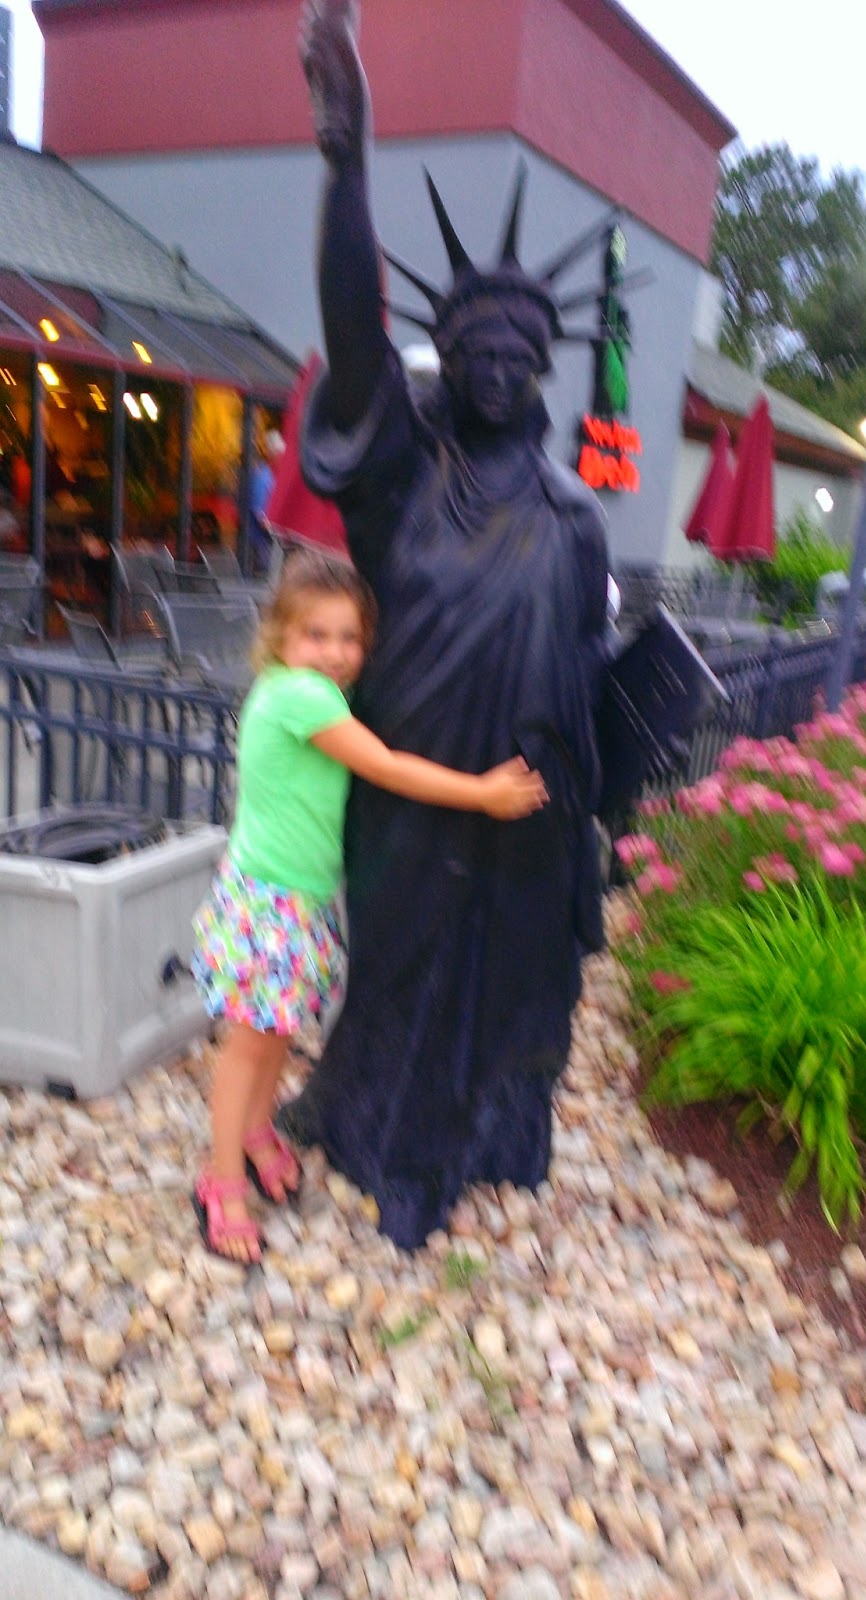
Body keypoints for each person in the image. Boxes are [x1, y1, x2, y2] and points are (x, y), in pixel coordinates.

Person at [275, 0, 616, 1248]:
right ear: (450, 365)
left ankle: (463, 1142)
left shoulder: (574, 517)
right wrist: (346, 157)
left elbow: (586, 662)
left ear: (542, 371)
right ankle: (376, 1129)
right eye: (476, 351)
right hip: (410, 779)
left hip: (527, 798)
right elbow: (352, 331)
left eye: (519, 353)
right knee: (401, 954)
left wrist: (591, 787)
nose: (498, 368)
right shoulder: (401, 479)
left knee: (499, 968)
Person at [190, 547, 546, 1262]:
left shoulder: (302, 692)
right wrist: (482, 793)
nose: (335, 652)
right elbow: (383, 765)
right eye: (316, 635)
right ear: (280, 636)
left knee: (276, 1032)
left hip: (296, 897)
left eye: (349, 637)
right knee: (250, 1042)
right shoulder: (303, 696)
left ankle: (257, 1131)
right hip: (271, 903)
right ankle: (220, 1177)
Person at [249, 429, 286, 575]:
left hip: (267, 544)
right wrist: (283, 532)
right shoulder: (262, 479)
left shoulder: (271, 477)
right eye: (280, 455)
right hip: (263, 545)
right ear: (273, 455)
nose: (283, 459)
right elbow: (262, 519)